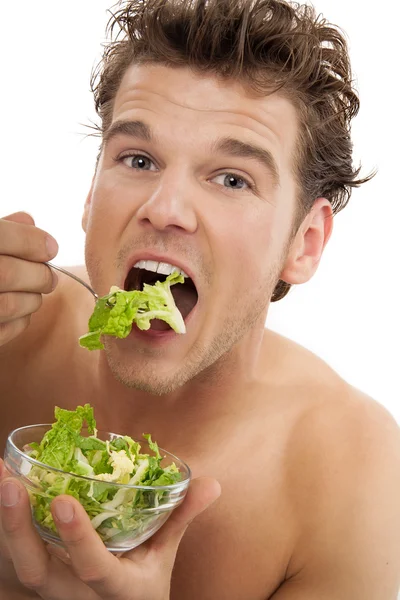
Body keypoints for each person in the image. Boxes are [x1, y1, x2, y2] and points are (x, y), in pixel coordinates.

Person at [0, 0, 399, 598]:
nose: (163, 208)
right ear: (89, 194)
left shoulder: (354, 478)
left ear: (305, 242)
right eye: (138, 159)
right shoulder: (12, 335)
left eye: (232, 178)